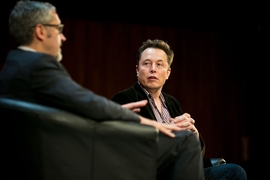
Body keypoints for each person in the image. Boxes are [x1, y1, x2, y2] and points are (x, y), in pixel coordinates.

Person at [0, 1, 205, 180]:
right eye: (59, 28)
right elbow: (87, 102)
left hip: (58, 154)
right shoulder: (39, 66)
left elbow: (74, 107)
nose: (62, 37)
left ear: (168, 72)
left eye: (160, 65)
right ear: (41, 31)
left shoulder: (13, 65)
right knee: (184, 141)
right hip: (80, 157)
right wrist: (142, 120)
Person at [111, 39, 248, 180]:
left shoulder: (172, 102)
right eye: (146, 64)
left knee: (235, 172)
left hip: (182, 170)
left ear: (168, 73)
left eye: (159, 64)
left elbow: (193, 153)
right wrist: (166, 132)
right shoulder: (124, 99)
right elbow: (127, 148)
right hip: (153, 172)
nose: (153, 69)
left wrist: (193, 136)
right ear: (137, 70)